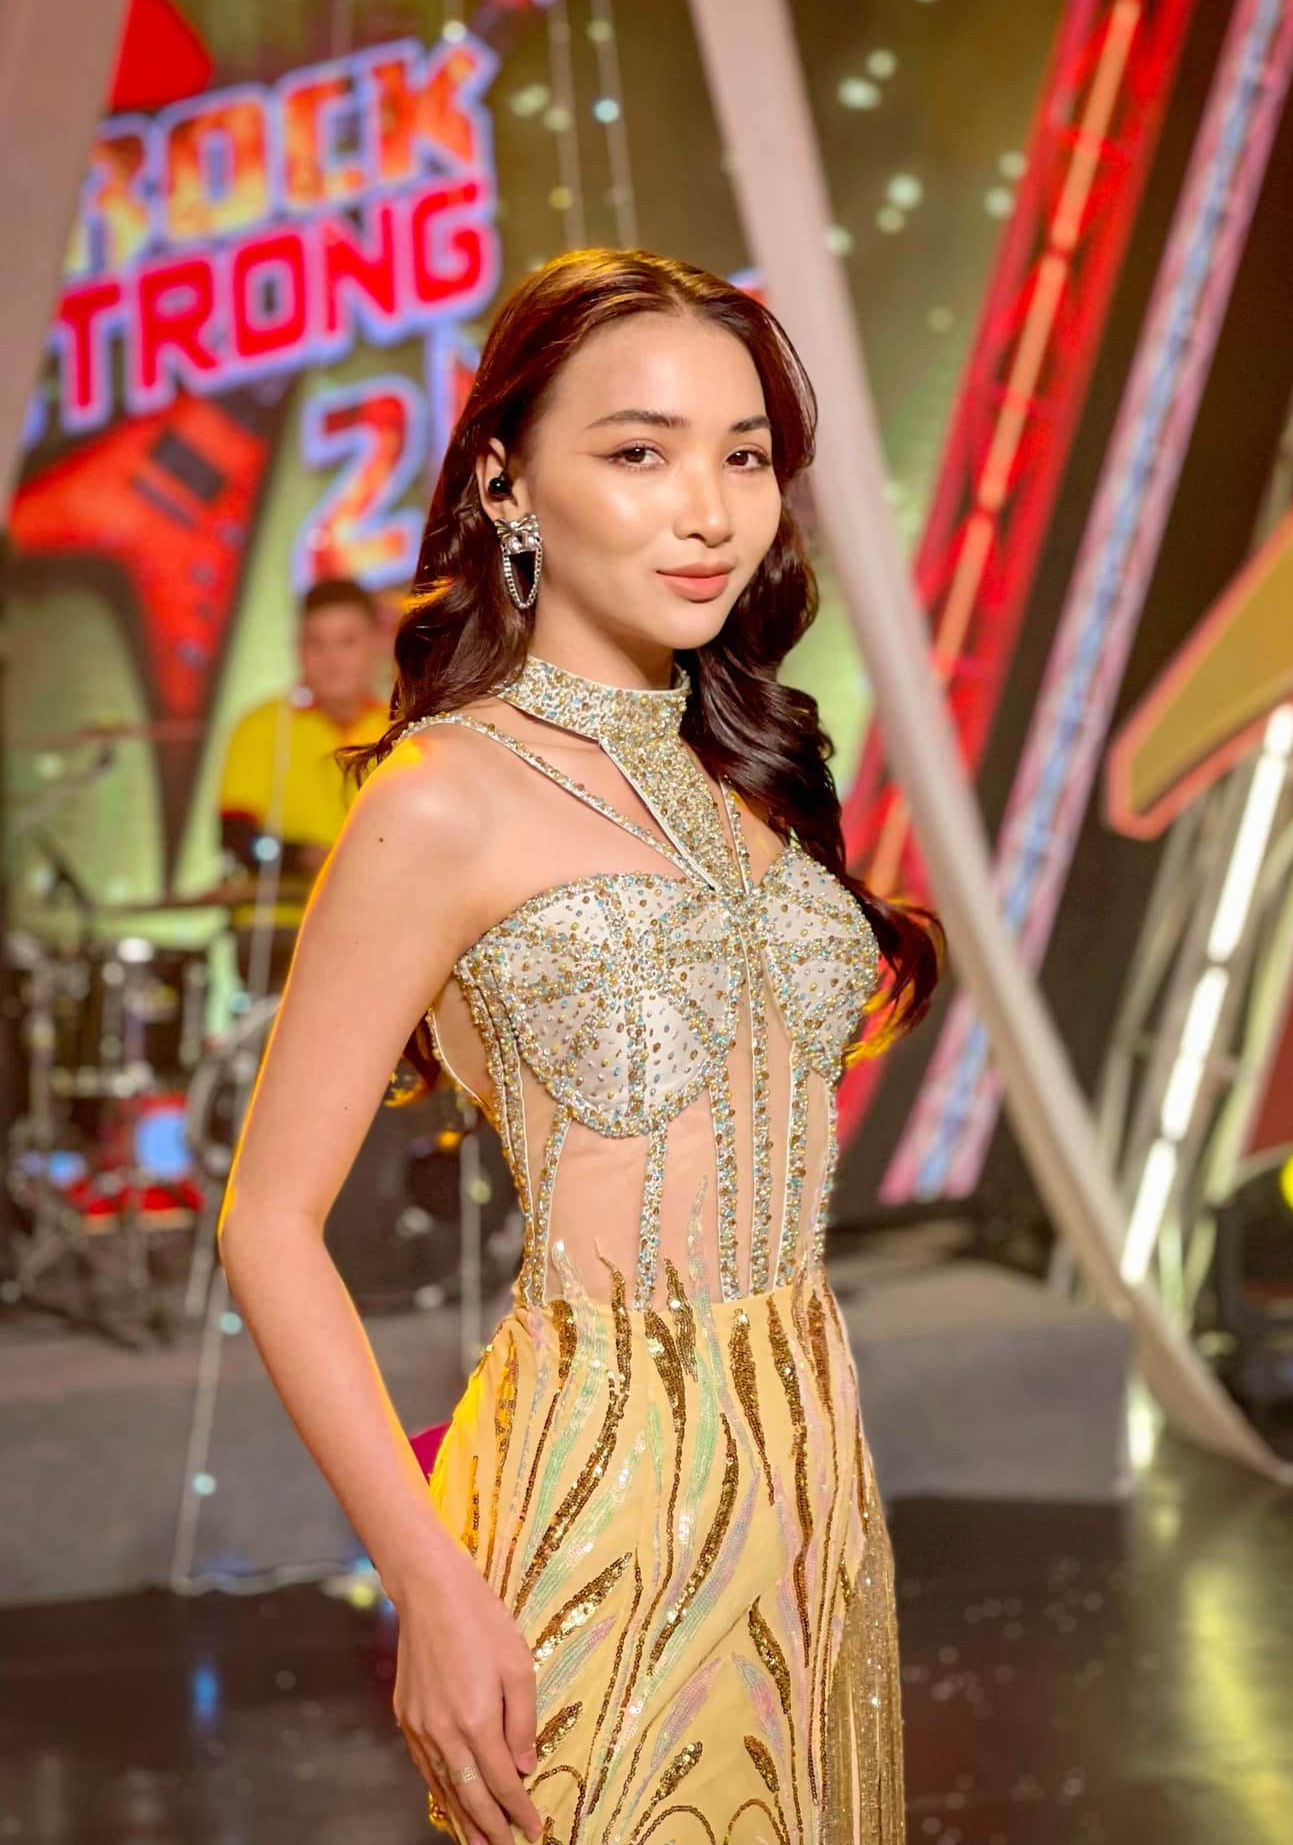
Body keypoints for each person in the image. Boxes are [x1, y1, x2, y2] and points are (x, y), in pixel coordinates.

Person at [216, 247, 944, 1844]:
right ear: (506, 483)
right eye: (638, 452)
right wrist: (426, 1580)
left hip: (813, 1469)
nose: (708, 511)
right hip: (597, 1481)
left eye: (741, 456)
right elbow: (265, 1220)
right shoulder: (440, 801)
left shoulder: (745, 771)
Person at [216, 577, 389, 992]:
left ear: (377, 644)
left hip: (380, 921)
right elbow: (236, 838)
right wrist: (307, 857)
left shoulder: (402, 730)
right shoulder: (260, 727)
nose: (331, 659)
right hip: (281, 926)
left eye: (347, 641)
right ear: (298, 648)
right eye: (316, 642)